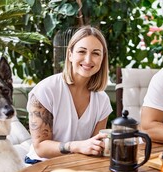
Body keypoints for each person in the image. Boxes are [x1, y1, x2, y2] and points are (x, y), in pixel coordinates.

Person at [25, 25, 113, 164]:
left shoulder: (102, 100)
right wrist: (77, 146)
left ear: (102, 59)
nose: (88, 60)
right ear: (70, 55)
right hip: (41, 165)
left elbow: (95, 146)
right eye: (82, 51)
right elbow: (40, 147)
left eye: (96, 53)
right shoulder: (46, 90)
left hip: (79, 165)